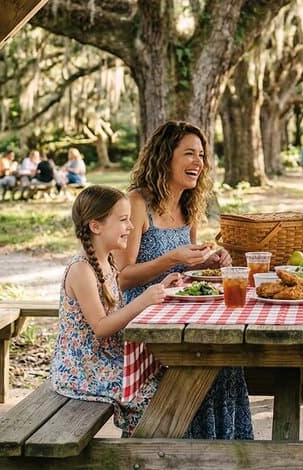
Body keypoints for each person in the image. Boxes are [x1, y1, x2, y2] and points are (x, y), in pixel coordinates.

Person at [117, 121, 252, 440]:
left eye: (202, 155)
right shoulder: (138, 203)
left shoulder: (188, 205)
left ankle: (224, 449)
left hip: (180, 313)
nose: (198, 162)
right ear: (165, 157)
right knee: (209, 360)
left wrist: (208, 260)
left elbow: (185, 270)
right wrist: (173, 258)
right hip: (144, 318)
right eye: (189, 153)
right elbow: (123, 277)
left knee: (227, 358)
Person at [48, 185, 180, 436]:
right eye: (123, 220)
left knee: (165, 377)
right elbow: (101, 327)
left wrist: (161, 287)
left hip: (106, 359)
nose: (131, 226)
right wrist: (142, 301)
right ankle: (139, 455)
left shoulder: (106, 262)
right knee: (150, 395)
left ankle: (145, 448)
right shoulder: (81, 270)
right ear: (95, 226)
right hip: (81, 369)